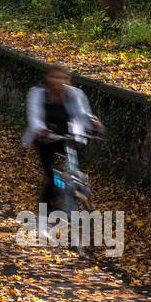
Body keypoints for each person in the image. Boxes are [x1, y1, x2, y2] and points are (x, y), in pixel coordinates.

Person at [22, 64, 104, 208]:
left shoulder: (75, 94)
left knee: (73, 170)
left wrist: (93, 122)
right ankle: (46, 205)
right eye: (53, 77)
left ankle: (77, 193)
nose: (57, 81)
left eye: (62, 78)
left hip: (69, 136)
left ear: (68, 80)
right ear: (46, 78)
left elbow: (82, 113)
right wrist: (42, 130)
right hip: (46, 138)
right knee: (51, 173)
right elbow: (34, 116)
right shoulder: (37, 93)